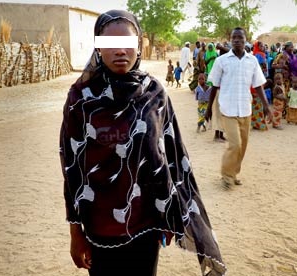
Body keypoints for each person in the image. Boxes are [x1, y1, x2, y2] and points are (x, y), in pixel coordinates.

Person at [59, 10, 226, 276]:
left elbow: (171, 157)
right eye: (110, 45)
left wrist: (168, 215)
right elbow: (72, 169)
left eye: (128, 43)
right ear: (98, 48)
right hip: (99, 227)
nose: (120, 51)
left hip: (146, 224)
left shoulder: (154, 93)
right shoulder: (81, 98)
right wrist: (75, 232)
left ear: (139, 46)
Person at [205, 27, 273, 188]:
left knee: (243, 146)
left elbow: (258, 85)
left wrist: (266, 106)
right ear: (230, 40)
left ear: (245, 40)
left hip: (245, 108)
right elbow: (214, 85)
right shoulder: (222, 61)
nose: (236, 40)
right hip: (227, 109)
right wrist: (208, 109)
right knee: (234, 144)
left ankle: (234, 173)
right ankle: (227, 175)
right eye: (233, 37)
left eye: (240, 38)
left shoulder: (252, 61)